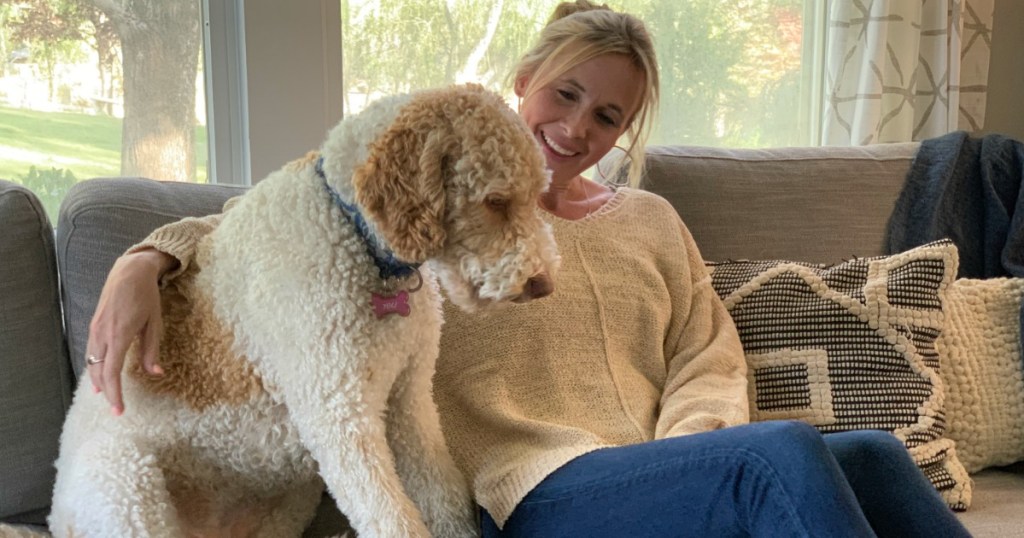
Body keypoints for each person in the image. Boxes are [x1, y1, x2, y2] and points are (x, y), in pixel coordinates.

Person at [85, 2, 971, 537]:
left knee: (870, 453)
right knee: (780, 455)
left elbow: (709, 353)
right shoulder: (439, 206)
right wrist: (145, 257)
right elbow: (279, 220)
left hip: (650, 475)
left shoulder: (655, 221)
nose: (578, 128)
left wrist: (695, 452)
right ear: (526, 79)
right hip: (525, 494)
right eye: (566, 94)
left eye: (608, 116)